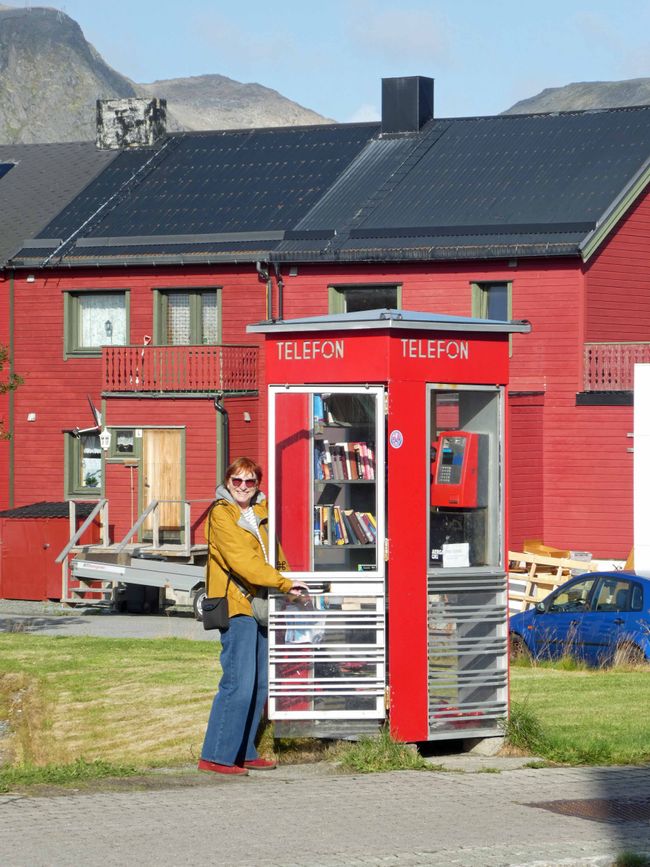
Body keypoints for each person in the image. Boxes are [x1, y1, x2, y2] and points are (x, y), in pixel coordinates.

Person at [198, 456, 308, 776]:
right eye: (237, 481)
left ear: (257, 484)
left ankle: (243, 751)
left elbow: (273, 554)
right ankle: (216, 756)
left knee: (259, 685)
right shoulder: (221, 514)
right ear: (228, 482)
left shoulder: (261, 511)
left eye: (250, 482)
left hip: (261, 603)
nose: (243, 487)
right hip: (236, 606)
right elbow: (242, 562)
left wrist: (288, 584)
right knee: (238, 684)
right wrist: (283, 582)